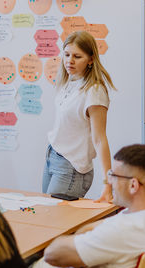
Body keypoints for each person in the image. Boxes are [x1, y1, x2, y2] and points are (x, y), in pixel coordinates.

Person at [43, 31, 116, 202]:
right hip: (53, 155)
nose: (70, 61)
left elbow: (99, 139)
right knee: (46, 214)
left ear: (91, 59)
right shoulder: (69, 82)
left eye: (77, 56)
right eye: (67, 54)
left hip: (71, 166)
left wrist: (108, 184)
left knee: (57, 222)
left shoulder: (94, 91)